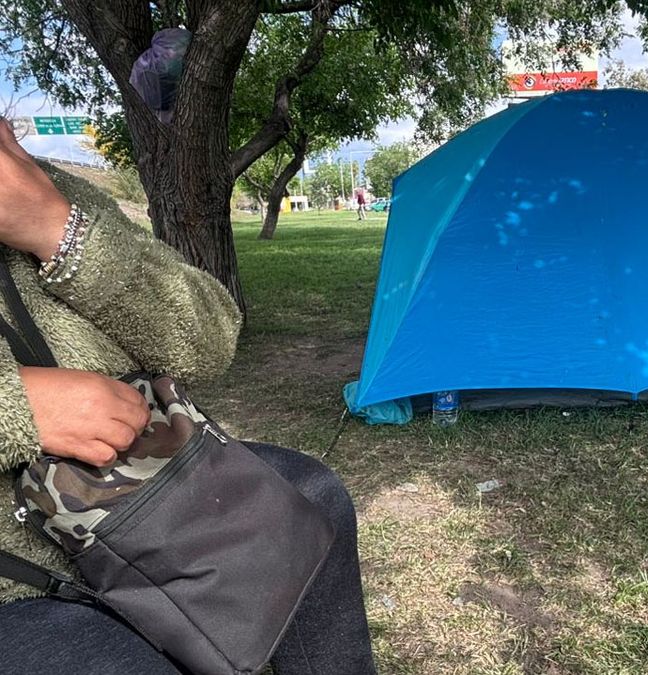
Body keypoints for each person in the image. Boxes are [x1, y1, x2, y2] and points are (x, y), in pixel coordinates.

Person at [0, 118, 376, 674]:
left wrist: (57, 228)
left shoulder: (53, 186)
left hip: (156, 495)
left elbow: (211, 339)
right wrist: (19, 406)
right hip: (23, 579)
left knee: (313, 494)